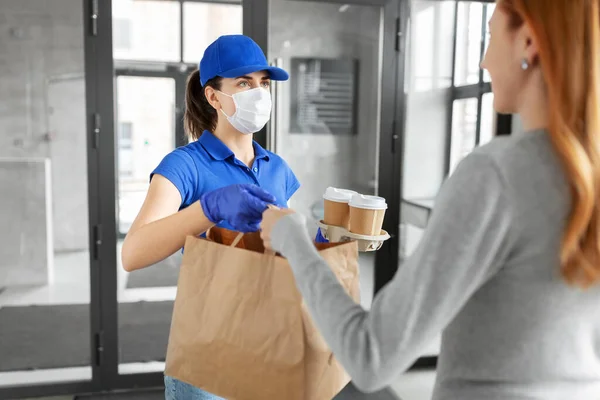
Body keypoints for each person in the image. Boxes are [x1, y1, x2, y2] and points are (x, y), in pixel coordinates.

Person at [260, 1, 600, 399]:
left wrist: (292, 240)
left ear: (528, 42)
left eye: (490, 37)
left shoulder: (496, 174)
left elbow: (370, 355)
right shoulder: (582, 172)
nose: (484, 62)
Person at [121, 34, 299, 400]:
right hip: (207, 351)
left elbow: (285, 251)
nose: (259, 93)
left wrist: (329, 242)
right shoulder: (183, 165)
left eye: (263, 83)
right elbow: (132, 254)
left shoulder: (277, 168)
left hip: (269, 344)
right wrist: (206, 210)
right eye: (244, 83)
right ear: (214, 96)